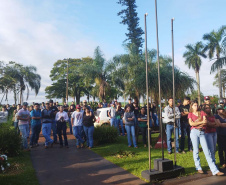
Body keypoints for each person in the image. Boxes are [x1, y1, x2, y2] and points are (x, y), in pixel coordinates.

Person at [188, 100, 223, 176]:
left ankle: (214, 170)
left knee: (207, 151)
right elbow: (191, 123)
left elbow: (205, 122)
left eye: (197, 105)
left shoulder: (202, 112)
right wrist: (200, 122)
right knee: (196, 150)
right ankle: (198, 167)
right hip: (194, 132)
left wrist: (196, 123)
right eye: (194, 105)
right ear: (191, 106)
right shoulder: (190, 114)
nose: (196, 107)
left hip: (202, 132)